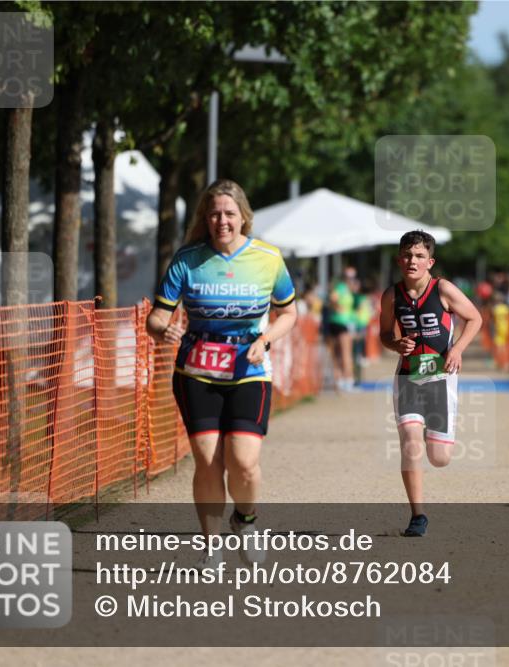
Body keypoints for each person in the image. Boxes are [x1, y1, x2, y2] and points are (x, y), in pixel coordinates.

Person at [146, 179, 297, 569]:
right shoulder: (187, 259)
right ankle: (212, 547)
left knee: (244, 461)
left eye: (229, 213)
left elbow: (289, 313)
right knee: (208, 459)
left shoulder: (268, 258)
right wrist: (165, 326)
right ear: (204, 218)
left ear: (243, 217)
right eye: (214, 213)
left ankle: (245, 521)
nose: (222, 221)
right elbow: (156, 317)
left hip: (249, 368)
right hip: (197, 370)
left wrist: (265, 340)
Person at [379, 231, 482, 537]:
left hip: (440, 379)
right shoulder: (391, 295)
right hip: (408, 377)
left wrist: (458, 348)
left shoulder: (444, 289)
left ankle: (433, 431)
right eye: (408, 255)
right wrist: (396, 344)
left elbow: (475, 318)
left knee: (439, 458)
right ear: (399, 259)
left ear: (430, 262)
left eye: (419, 256)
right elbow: (384, 334)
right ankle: (417, 516)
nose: (413, 261)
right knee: (410, 444)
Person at [327, 267, 357, 391]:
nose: (352, 280)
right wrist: (337, 307)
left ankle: (339, 380)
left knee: (338, 353)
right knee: (345, 352)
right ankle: (348, 380)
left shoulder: (345, 288)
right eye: (350, 277)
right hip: (342, 322)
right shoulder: (342, 287)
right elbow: (332, 299)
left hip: (336, 322)